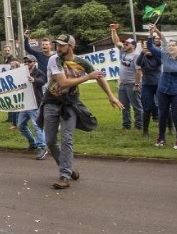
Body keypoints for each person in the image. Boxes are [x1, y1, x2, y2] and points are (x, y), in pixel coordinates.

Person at [42, 34, 123, 189]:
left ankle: (64, 176)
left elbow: (99, 77)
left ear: (71, 47)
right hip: (51, 102)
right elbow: (63, 82)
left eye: (61, 45)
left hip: (70, 103)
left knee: (67, 138)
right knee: (50, 141)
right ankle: (69, 168)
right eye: (57, 45)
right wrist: (87, 78)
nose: (58, 48)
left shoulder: (81, 62)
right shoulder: (55, 60)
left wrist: (111, 96)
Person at [147, 25, 177, 149]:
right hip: (163, 89)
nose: (170, 46)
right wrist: (150, 34)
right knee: (162, 114)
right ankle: (161, 138)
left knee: (176, 115)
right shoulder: (164, 55)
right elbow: (150, 47)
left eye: (173, 45)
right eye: (169, 45)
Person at [110, 26, 143, 130]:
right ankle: (126, 125)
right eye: (124, 44)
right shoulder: (124, 52)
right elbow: (116, 41)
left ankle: (139, 126)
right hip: (123, 84)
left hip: (132, 84)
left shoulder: (136, 55)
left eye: (127, 44)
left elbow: (138, 71)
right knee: (123, 106)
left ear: (133, 46)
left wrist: (137, 85)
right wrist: (113, 30)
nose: (124, 45)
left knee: (137, 106)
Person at [17, 55, 48, 160]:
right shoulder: (21, 72)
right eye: (25, 62)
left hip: (34, 103)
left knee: (37, 126)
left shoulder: (39, 72)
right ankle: (33, 142)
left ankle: (42, 146)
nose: (27, 64)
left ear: (34, 62)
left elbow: (42, 81)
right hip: (24, 103)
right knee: (21, 125)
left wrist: (34, 80)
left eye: (29, 62)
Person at [136, 39, 161, 137]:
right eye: (144, 47)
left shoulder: (157, 57)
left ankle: (170, 127)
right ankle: (145, 131)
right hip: (147, 85)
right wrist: (143, 53)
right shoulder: (143, 57)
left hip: (159, 84)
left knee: (164, 106)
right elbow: (138, 63)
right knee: (147, 107)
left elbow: (159, 62)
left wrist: (153, 52)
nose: (147, 49)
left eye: (149, 47)